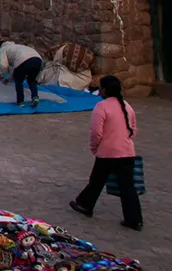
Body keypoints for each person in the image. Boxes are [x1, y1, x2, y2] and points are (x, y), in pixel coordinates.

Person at [69, 75, 143, 231]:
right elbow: (133, 129)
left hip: (108, 152)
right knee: (128, 187)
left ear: (104, 90)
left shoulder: (101, 107)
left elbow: (96, 132)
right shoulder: (127, 106)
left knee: (96, 181)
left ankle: (85, 204)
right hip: (127, 152)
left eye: (101, 88)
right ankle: (134, 219)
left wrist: (95, 148)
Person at [0, 40, 43, 107]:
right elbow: (15, 69)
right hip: (38, 60)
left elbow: (3, 65)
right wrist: (8, 79)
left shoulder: (2, 50)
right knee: (31, 80)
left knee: (19, 81)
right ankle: (35, 97)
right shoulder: (16, 47)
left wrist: (2, 76)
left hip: (23, 61)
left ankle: (20, 101)